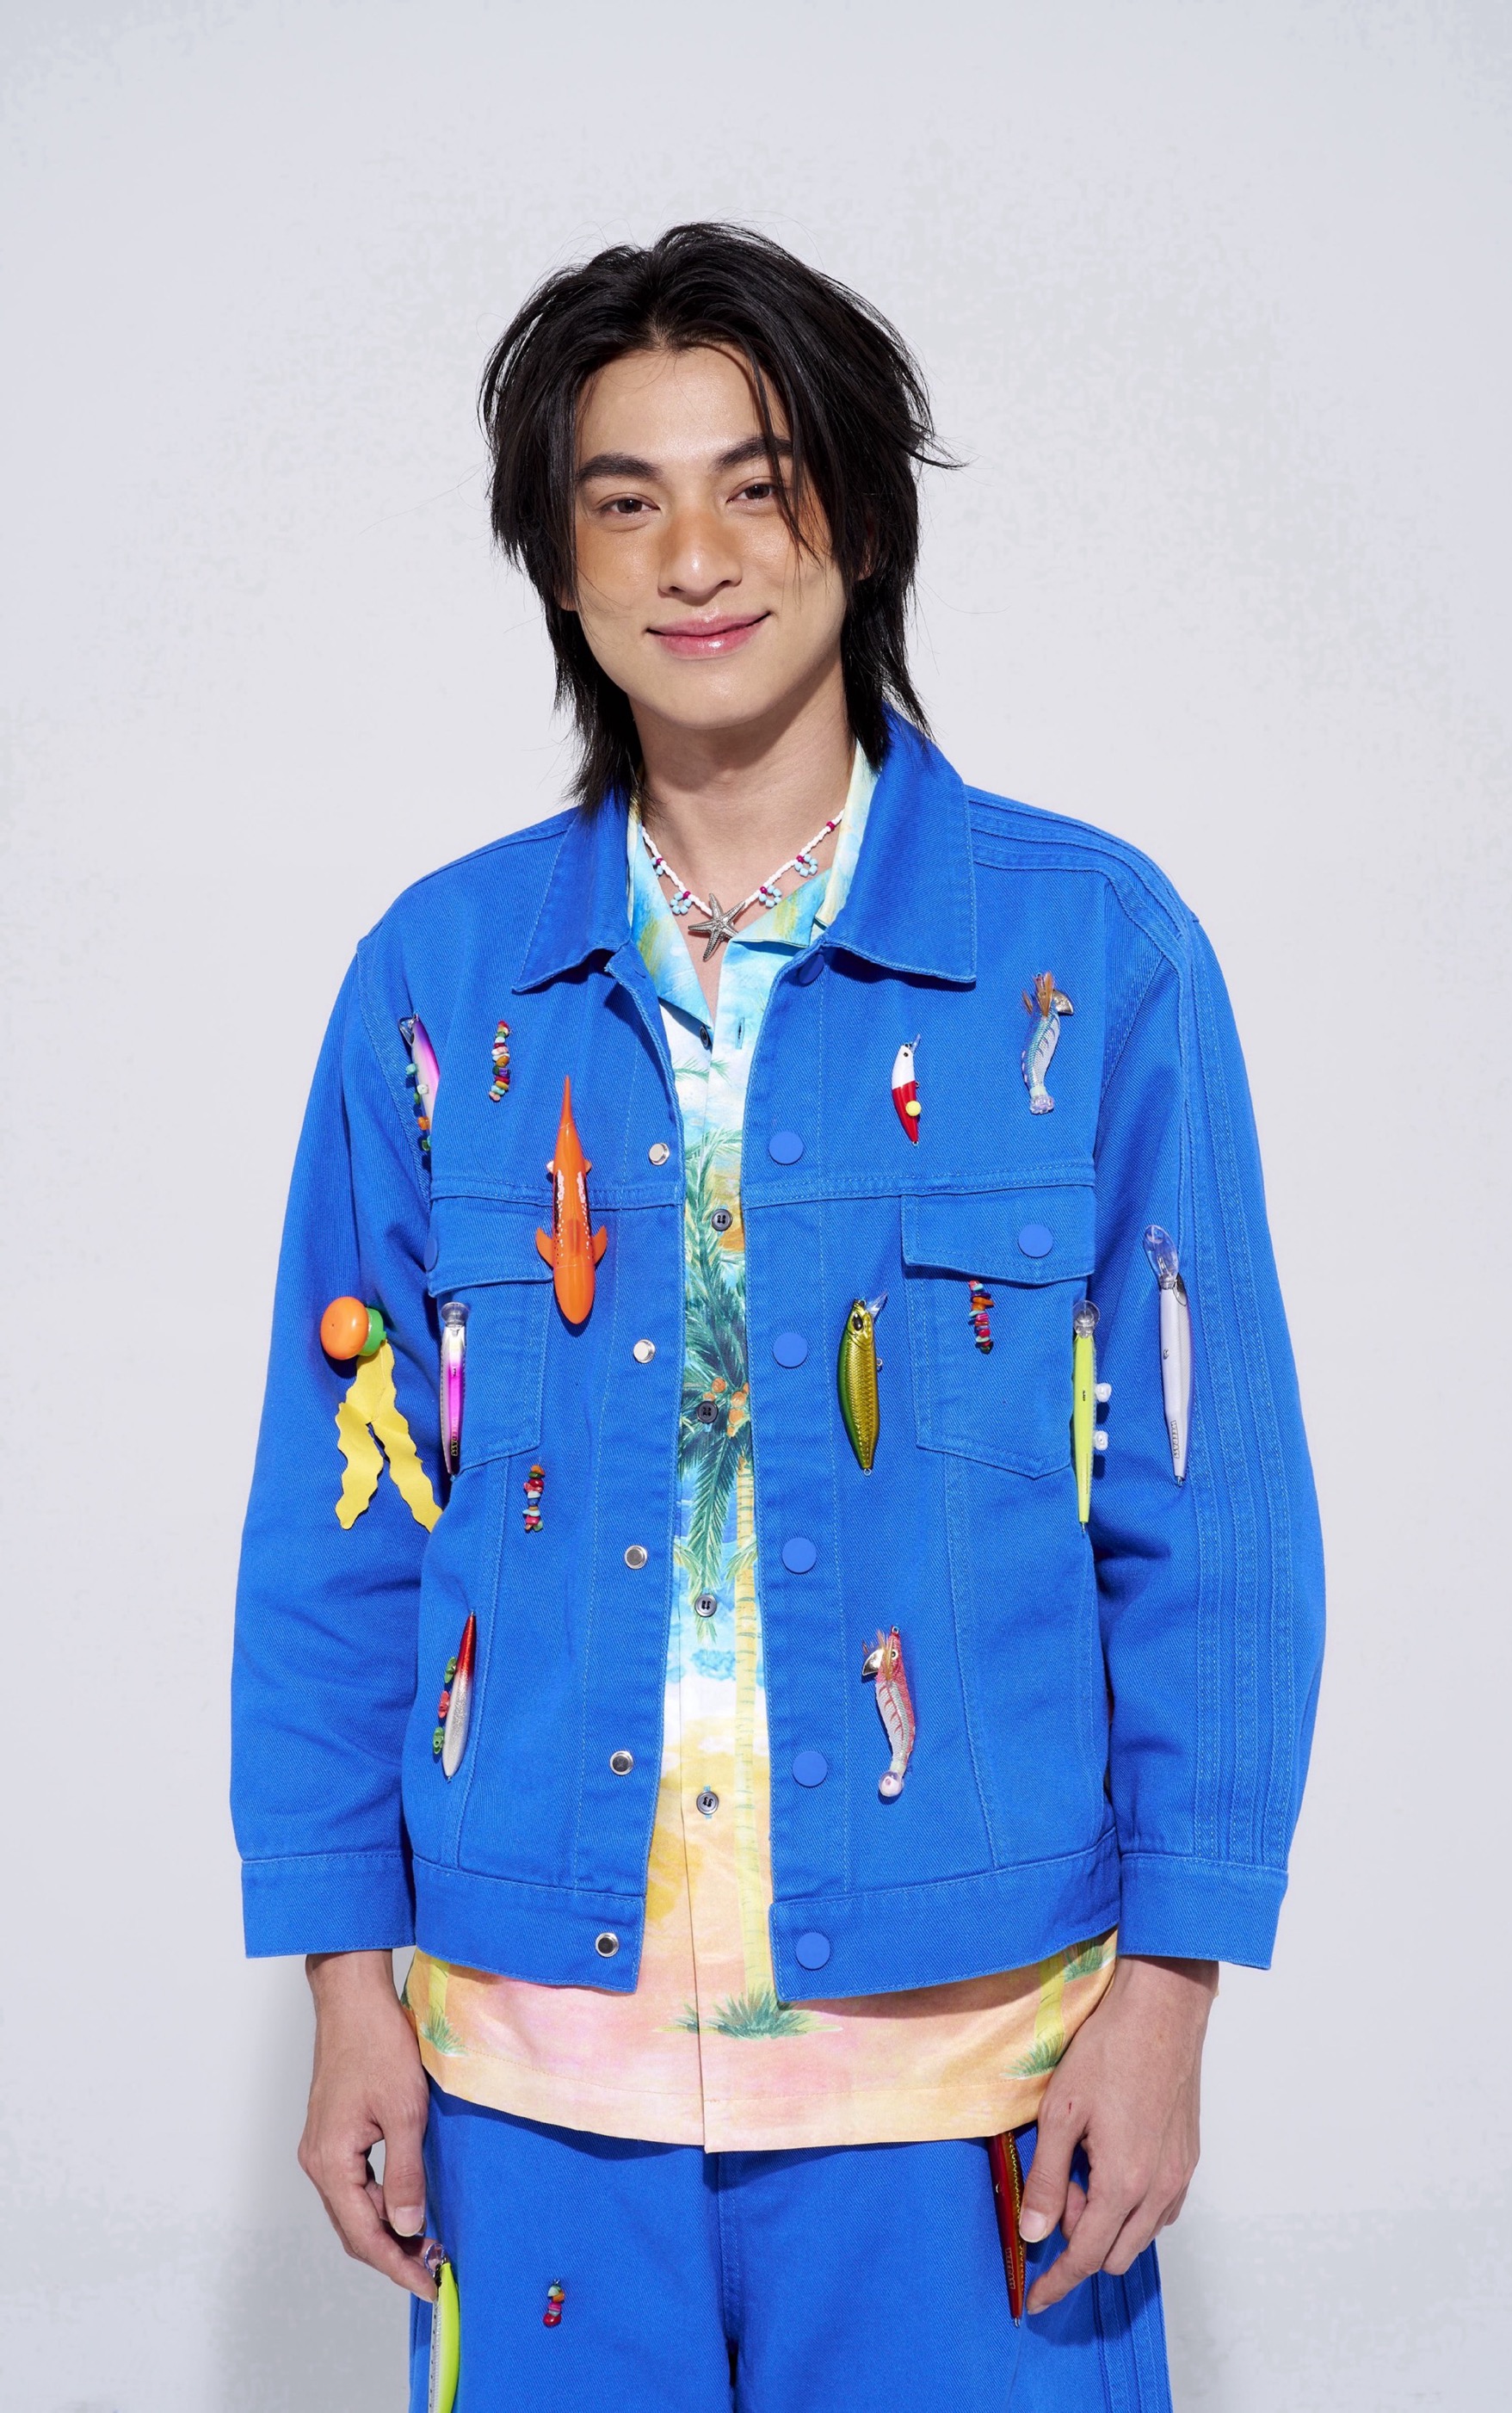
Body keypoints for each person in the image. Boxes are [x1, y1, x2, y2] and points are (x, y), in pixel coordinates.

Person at [231, 222, 1324, 2413]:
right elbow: (343, 1517)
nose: (696, 555)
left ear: (862, 523)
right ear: (557, 564)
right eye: (624, 500)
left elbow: (1206, 1513)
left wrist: (1171, 1995)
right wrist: (349, 1984)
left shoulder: (1091, 957)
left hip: (971, 2083)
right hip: (533, 2086)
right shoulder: (438, 987)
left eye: (759, 484)